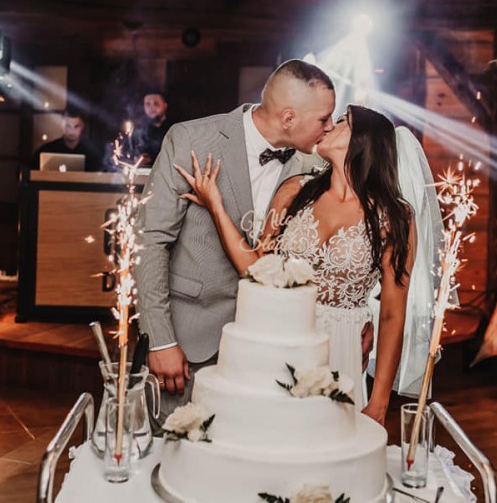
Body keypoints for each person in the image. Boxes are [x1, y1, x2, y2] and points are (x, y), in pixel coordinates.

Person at [135, 60, 378, 422]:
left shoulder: (315, 164)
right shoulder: (190, 139)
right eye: (324, 118)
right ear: (288, 117)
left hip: (276, 351)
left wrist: (361, 315)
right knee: (177, 446)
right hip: (190, 343)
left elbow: (353, 240)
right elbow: (150, 241)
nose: (330, 127)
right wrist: (161, 340)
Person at [175, 104, 442, 425]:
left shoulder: (395, 217)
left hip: (340, 346)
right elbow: (256, 270)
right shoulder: (295, 190)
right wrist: (216, 206)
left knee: (326, 439)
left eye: (342, 122)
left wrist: (380, 402)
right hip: (281, 333)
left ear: (365, 141)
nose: (328, 126)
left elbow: (392, 314)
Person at [31, 108, 107, 172]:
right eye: (68, 126)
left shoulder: (92, 152)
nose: (71, 131)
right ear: (61, 125)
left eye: (76, 126)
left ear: (82, 127)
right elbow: (31, 169)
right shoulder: (48, 149)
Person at [130, 89, 174, 166]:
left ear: (165, 106)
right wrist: (136, 160)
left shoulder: (175, 130)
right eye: (147, 104)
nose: (152, 107)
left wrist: (151, 160)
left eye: (156, 104)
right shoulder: (136, 133)